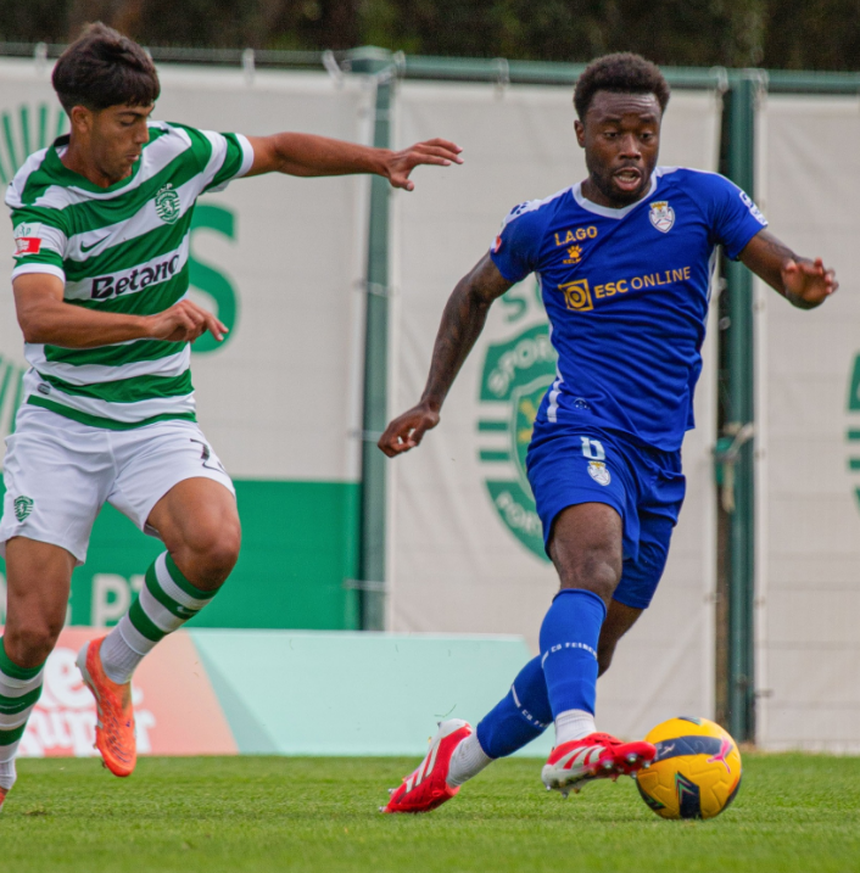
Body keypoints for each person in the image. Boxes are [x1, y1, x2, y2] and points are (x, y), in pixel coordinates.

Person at [0, 22, 462, 812]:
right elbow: (38, 317)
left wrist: (379, 160)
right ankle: (5, 763)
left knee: (214, 542)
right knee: (31, 631)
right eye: (126, 122)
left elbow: (279, 148)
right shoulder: (46, 198)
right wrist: (148, 323)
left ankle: (113, 663)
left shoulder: (174, 154)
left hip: (154, 416)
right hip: (61, 426)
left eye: (148, 116)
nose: (143, 136)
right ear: (78, 119)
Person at [377, 52, 837, 813]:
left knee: (596, 645)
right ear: (581, 133)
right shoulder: (544, 224)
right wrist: (431, 400)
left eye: (645, 133)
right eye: (613, 132)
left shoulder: (703, 200)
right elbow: (472, 292)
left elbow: (785, 270)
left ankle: (457, 756)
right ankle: (575, 739)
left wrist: (804, 288)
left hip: (661, 456)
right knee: (589, 569)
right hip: (578, 426)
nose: (631, 148)